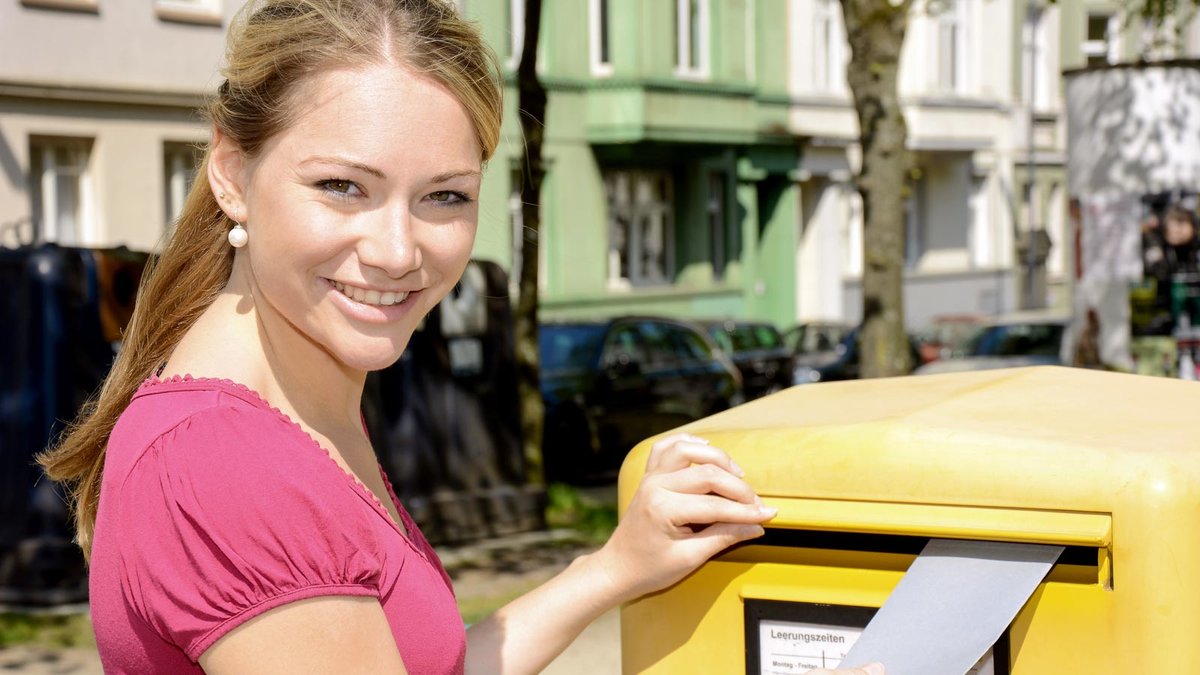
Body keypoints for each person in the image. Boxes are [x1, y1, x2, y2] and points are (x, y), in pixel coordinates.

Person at [38, 2, 883, 673]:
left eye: (443, 196)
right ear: (231, 171)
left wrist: (611, 568)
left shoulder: (292, 403)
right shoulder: (228, 464)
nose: (399, 251)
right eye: (342, 186)